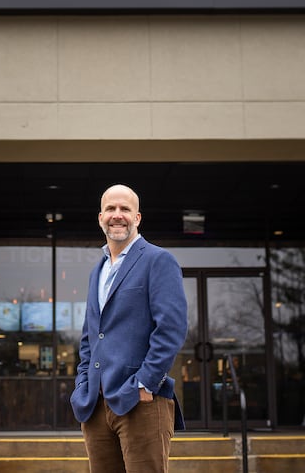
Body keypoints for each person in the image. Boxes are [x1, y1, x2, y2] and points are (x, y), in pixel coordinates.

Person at [70, 184, 188, 473]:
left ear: (137, 218)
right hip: (95, 405)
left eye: (125, 209)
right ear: (100, 217)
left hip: (140, 402)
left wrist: (145, 383)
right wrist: (83, 385)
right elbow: (90, 337)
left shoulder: (158, 260)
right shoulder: (97, 271)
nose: (117, 215)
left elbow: (171, 328)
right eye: (111, 209)